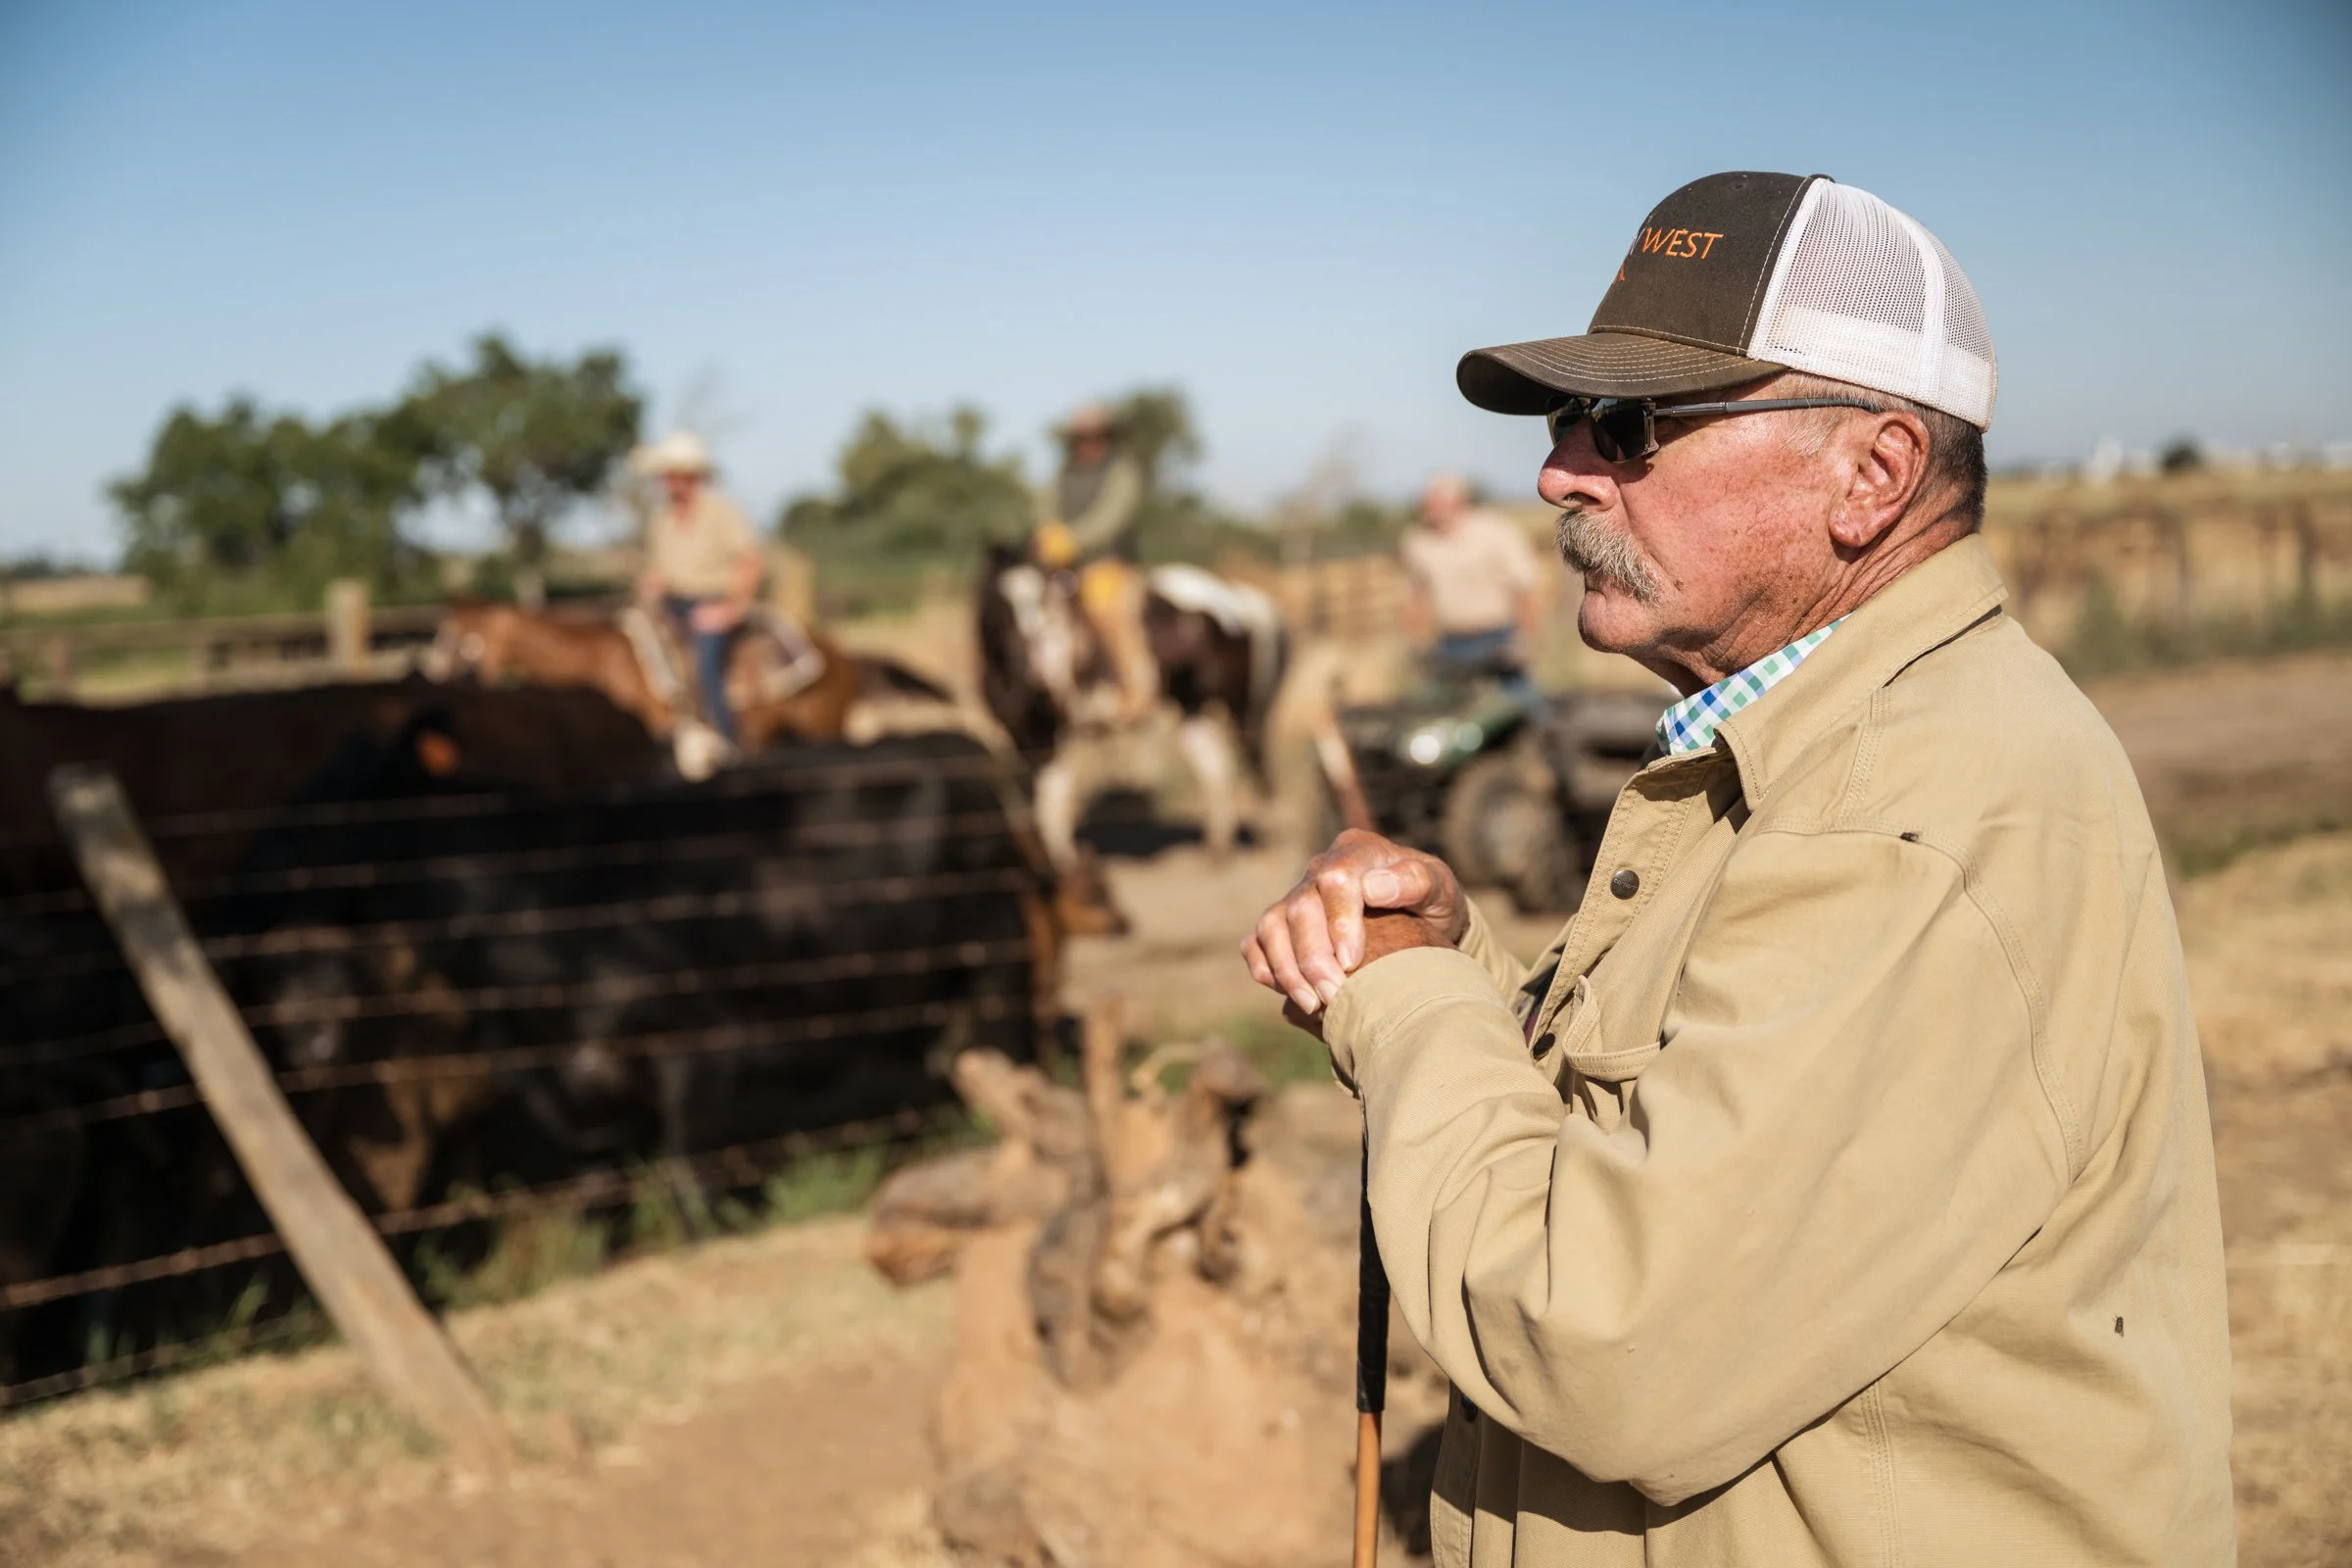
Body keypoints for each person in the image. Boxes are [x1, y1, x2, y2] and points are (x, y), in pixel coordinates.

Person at [1243, 172, 2231, 1565]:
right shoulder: (1831, 752)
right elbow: (1679, 1131)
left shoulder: (1903, 817)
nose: (1560, 471)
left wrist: (1407, 1006)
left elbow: (1601, 1339)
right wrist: (1458, 962)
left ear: (1871, 475)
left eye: (1629, 424)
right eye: (1564, 419)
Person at [630, 431, 760, 744]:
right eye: (664, 474)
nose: (667, 481)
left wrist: (730, 609)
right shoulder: (661, 518)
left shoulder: (721, 511)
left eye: (673, 474)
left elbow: (751, 560)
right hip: (671, 605)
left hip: (713, 604)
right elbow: (660, 567)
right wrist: (653, 581)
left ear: (692, 476)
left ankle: (726, 740)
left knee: (704, 669)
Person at [1033, 404, 1154, 719]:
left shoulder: (1121, 471)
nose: (1088, 443)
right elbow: (1045, 508)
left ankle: (1136, 693)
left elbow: (1111, 517)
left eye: (1095, 436)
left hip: (1108, 565)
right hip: (1061, 566)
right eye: (1081, 437)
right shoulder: (1063, 473)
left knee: (1108, 613)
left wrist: (1073, 540)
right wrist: (1048, 535)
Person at [1398, 471, 1544, 709]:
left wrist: (1527, 638)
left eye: (1436, 502)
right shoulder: (1418, 542)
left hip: (1499, 637)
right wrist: (1417, 642)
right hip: (1451, 642)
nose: (1429, 508)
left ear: (1458, 502)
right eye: (1427, 502)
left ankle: (1546, 740)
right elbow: (1415, 597)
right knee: (1434, 707)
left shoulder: (1494, 531)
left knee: (1526, 704)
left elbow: (1525, 587)